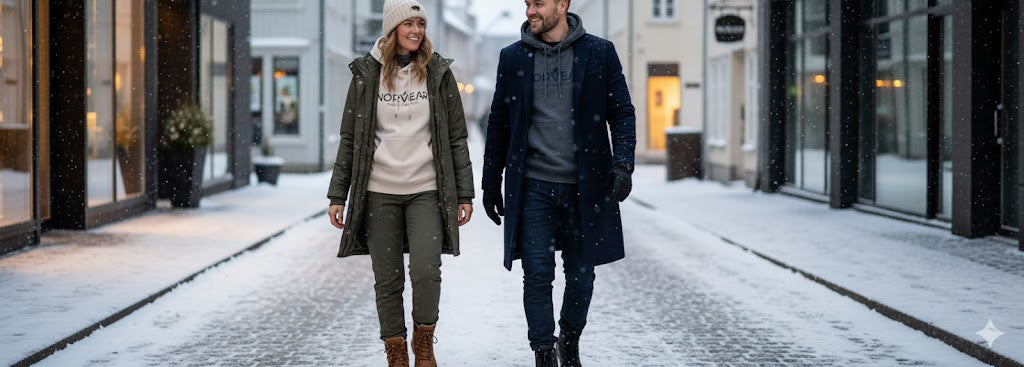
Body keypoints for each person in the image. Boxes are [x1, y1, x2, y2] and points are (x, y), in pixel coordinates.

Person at [482, 0, 636, 366]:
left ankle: (569, 337)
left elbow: (621, 111)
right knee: (537, 273)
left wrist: (623, 163)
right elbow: (499, 121)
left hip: (587, 185)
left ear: (563, 5)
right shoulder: (513, 57)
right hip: (533, 184)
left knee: (582, 275)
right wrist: (490, 182)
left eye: (539, 3)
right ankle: (543, 353)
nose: (530, 11)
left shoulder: (599, 52)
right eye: (527, 4)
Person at [326, 0, 474, 365]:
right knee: (387, 280)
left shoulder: (437, 73)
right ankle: (396, 352)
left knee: (426, 271)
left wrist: (465, 192)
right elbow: (351, 138)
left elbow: (456, 138)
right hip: (378, 191)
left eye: (420, 23)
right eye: (408, 23)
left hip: (426, 188)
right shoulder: (366, 74)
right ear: (392, 29)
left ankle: (424, 342)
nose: (416, 31)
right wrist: (337, 194)